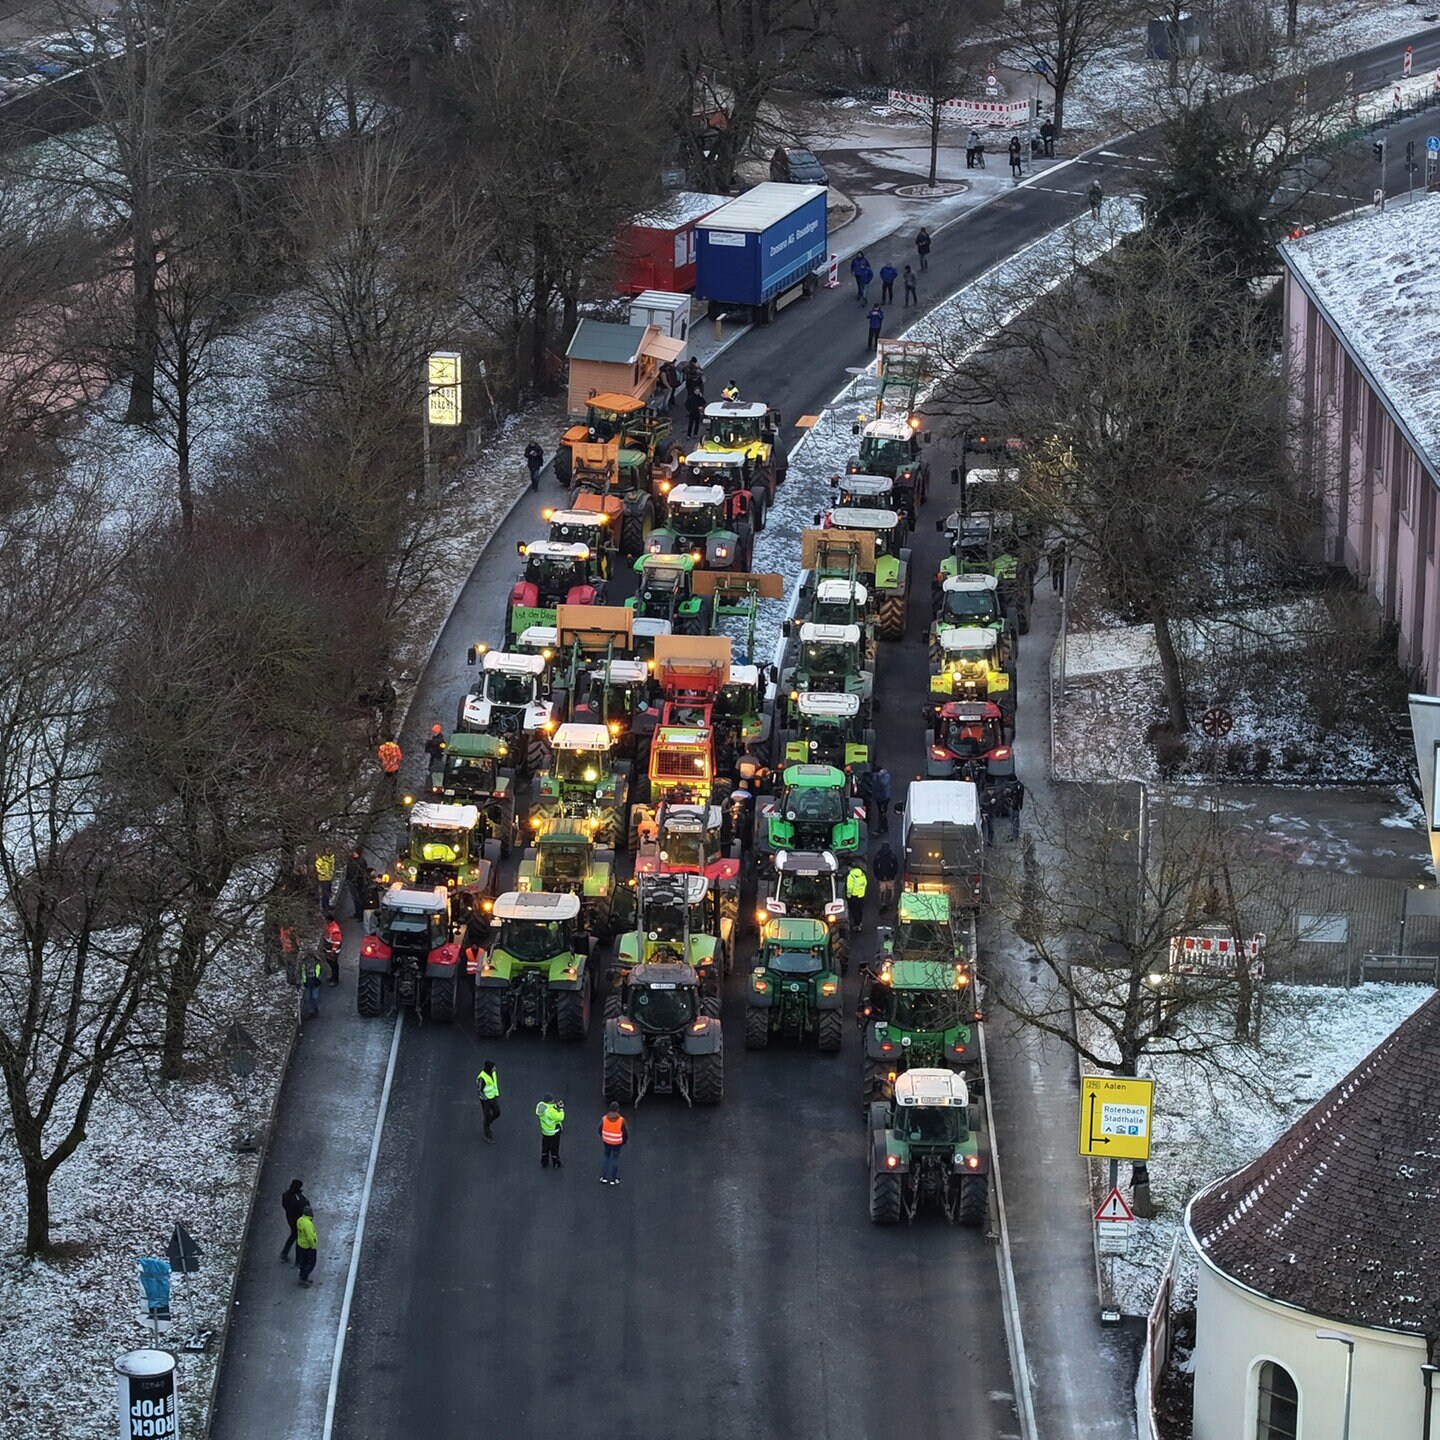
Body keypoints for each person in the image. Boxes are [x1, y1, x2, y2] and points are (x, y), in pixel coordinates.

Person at [599, 1103, 629, 1184]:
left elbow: (599, 1130)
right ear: (618, 1109)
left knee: (606, 1158)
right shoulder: (621, 1120)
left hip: (606, 1142)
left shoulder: (604, 1119)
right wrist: (624, 1141)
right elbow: (625, 1133)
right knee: (615, 1159)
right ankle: (613, 1179)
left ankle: (604, 1177)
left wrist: (604, 1137)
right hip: (617, 1143)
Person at [280, 1179, 308, 1264]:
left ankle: (285, 1253)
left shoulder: (285, 1195)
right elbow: (304, 1208)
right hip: (299, 1220)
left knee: (294, 1234)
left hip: (290, 1218)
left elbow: (284, 1205)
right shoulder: (299, 1198)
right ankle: (298, 1259)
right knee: (299, 1238)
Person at [536, 1093, 565, 1169]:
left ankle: (544, 1162)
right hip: (554, 1132)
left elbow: (549, 1108)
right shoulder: (551, 1112)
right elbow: (560, 1117)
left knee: (545, 1147)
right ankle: (556, 1162)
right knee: (554, 1148)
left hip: (545, 1131)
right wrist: (561, 1109)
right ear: (550, 1101)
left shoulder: (540, 1105)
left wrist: (555, 1106)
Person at [476, 1060, 501, 1143]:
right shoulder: (482, 1078)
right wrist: (485, 1099)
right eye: (494, 1067)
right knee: (487, 1115)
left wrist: (496, 1094)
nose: (495, 1069)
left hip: (493, 1097)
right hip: (486, 1100)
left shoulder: (493, 1073)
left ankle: (487, 1122)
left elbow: (494, 1084)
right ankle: (487, 1134)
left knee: (497, 1112)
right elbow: (479, 1090)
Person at [872, 842, 899, 912]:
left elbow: (875, 867)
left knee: (882, 891)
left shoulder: (878, 856)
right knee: (890, 890)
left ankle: (883, 903)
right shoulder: (892, 856)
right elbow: (895, 867)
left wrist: (876, 875)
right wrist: (894, 874)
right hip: (890, 877)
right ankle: (889, 903)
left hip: (881, 877)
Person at [295, 1206, 317, 1287]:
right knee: (311, 1263)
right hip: (308, 1246)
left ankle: (302, 1276)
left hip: (301, 1245)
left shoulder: (300, 1220)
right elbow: (310, 1237)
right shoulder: (308, 1224)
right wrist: (313, 1246)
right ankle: (303, 1278)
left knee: (303, 1262)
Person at [345, 849, 367, 922]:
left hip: (359, 882)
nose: (354, 854)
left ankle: (361, 915)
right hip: (351, 881)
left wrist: (358, 879)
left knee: (360, 899)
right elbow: (348, 869)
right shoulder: (351, 860)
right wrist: (347, 878)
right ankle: (357, 913)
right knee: (355, 898)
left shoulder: (361, 861)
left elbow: (363, 873)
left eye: (355, 853)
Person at [845, 862, 868, 932]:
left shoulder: (850, 876)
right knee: (859, 910)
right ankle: (860, 923)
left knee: (854, 910)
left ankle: (857, 924)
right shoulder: (862, 874)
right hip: (861, 895)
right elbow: (865, 883)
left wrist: (848, 895)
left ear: (850, 868)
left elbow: (849, 887)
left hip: (853, 896)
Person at [314, 851, 335, 919]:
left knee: (328, 892)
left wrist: (331, 872)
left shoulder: (331, 858)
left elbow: (332, 866)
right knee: (325, 893)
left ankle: (327, 905)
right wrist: (323, 873)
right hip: (323, 879)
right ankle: (325, 907)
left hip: (329, 878)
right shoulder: (321, 859)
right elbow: (318, 868)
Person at [302, 952, 323, 1017]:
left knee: (314, 997)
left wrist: (318, 979)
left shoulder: (317, 964)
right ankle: (311, 1011)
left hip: (315, 982)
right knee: (308, 998)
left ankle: (315, 1009)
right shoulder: (304, 966)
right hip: (307, 982)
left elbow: (320, 972)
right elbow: (302, 974)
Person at [322, 919, 342, 986]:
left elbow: (337, 942)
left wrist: (333, 951)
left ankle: (335, 980)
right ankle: (333, 978)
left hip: (333, 951)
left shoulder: (334, 930)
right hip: (329, 949)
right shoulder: (330, 926)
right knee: (332, 964)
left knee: (334, 965)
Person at [872, 765, 892, 831]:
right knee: (880, 813)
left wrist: (879, 777)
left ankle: (881, 827)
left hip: (884, 798)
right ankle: (884, 827)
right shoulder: (876, 776)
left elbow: (884, 784)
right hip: (879, 797)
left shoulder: (886, 776)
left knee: (882, 813)